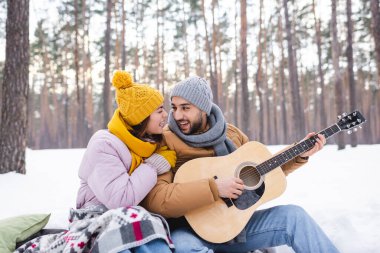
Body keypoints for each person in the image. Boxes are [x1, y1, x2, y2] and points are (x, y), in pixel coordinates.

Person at [141, 76, 340, 253]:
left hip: (237, 227)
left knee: (294, 217)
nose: (177, 116)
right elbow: (158, 199)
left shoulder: (231, 134)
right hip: (190, 230)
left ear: (203, 108)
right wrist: (214, 188)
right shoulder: (165, 140)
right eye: (174, 107)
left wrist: (299, 154)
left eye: (186, 108)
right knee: (185, 247)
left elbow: (261, 170)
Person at [76, 70, 176, 253]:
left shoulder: (147, 143)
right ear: (141, 117)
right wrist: (153, 165)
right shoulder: (104, 144)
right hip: (97, 217)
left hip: (134, 218)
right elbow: (120, 200)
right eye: (159, 110)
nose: (165, 115)